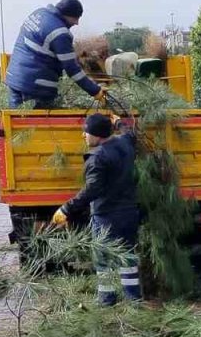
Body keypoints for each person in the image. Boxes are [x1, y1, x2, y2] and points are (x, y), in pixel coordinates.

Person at [53, 114, 142, 305]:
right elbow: (130, 133)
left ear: (97, 135)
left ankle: (107, 300)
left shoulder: (98, 158)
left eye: (86, 132)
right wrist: (118, 122)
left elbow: (92, 189)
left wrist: (66, 209)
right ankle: (134, 300)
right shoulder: (125, 144)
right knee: (127, 256)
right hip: (129, 213)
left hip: (106, 216)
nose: (83, 135)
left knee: (103, 259)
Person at [5, 0, 108, 109]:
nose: (77, 23)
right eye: (76, 18)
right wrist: (95, 91)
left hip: (14, 79)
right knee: (37, 120)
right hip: (36, 88)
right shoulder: (60, 33)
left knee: (17, 116)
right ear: (68, 14)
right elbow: (72, 69)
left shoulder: (38, 14)